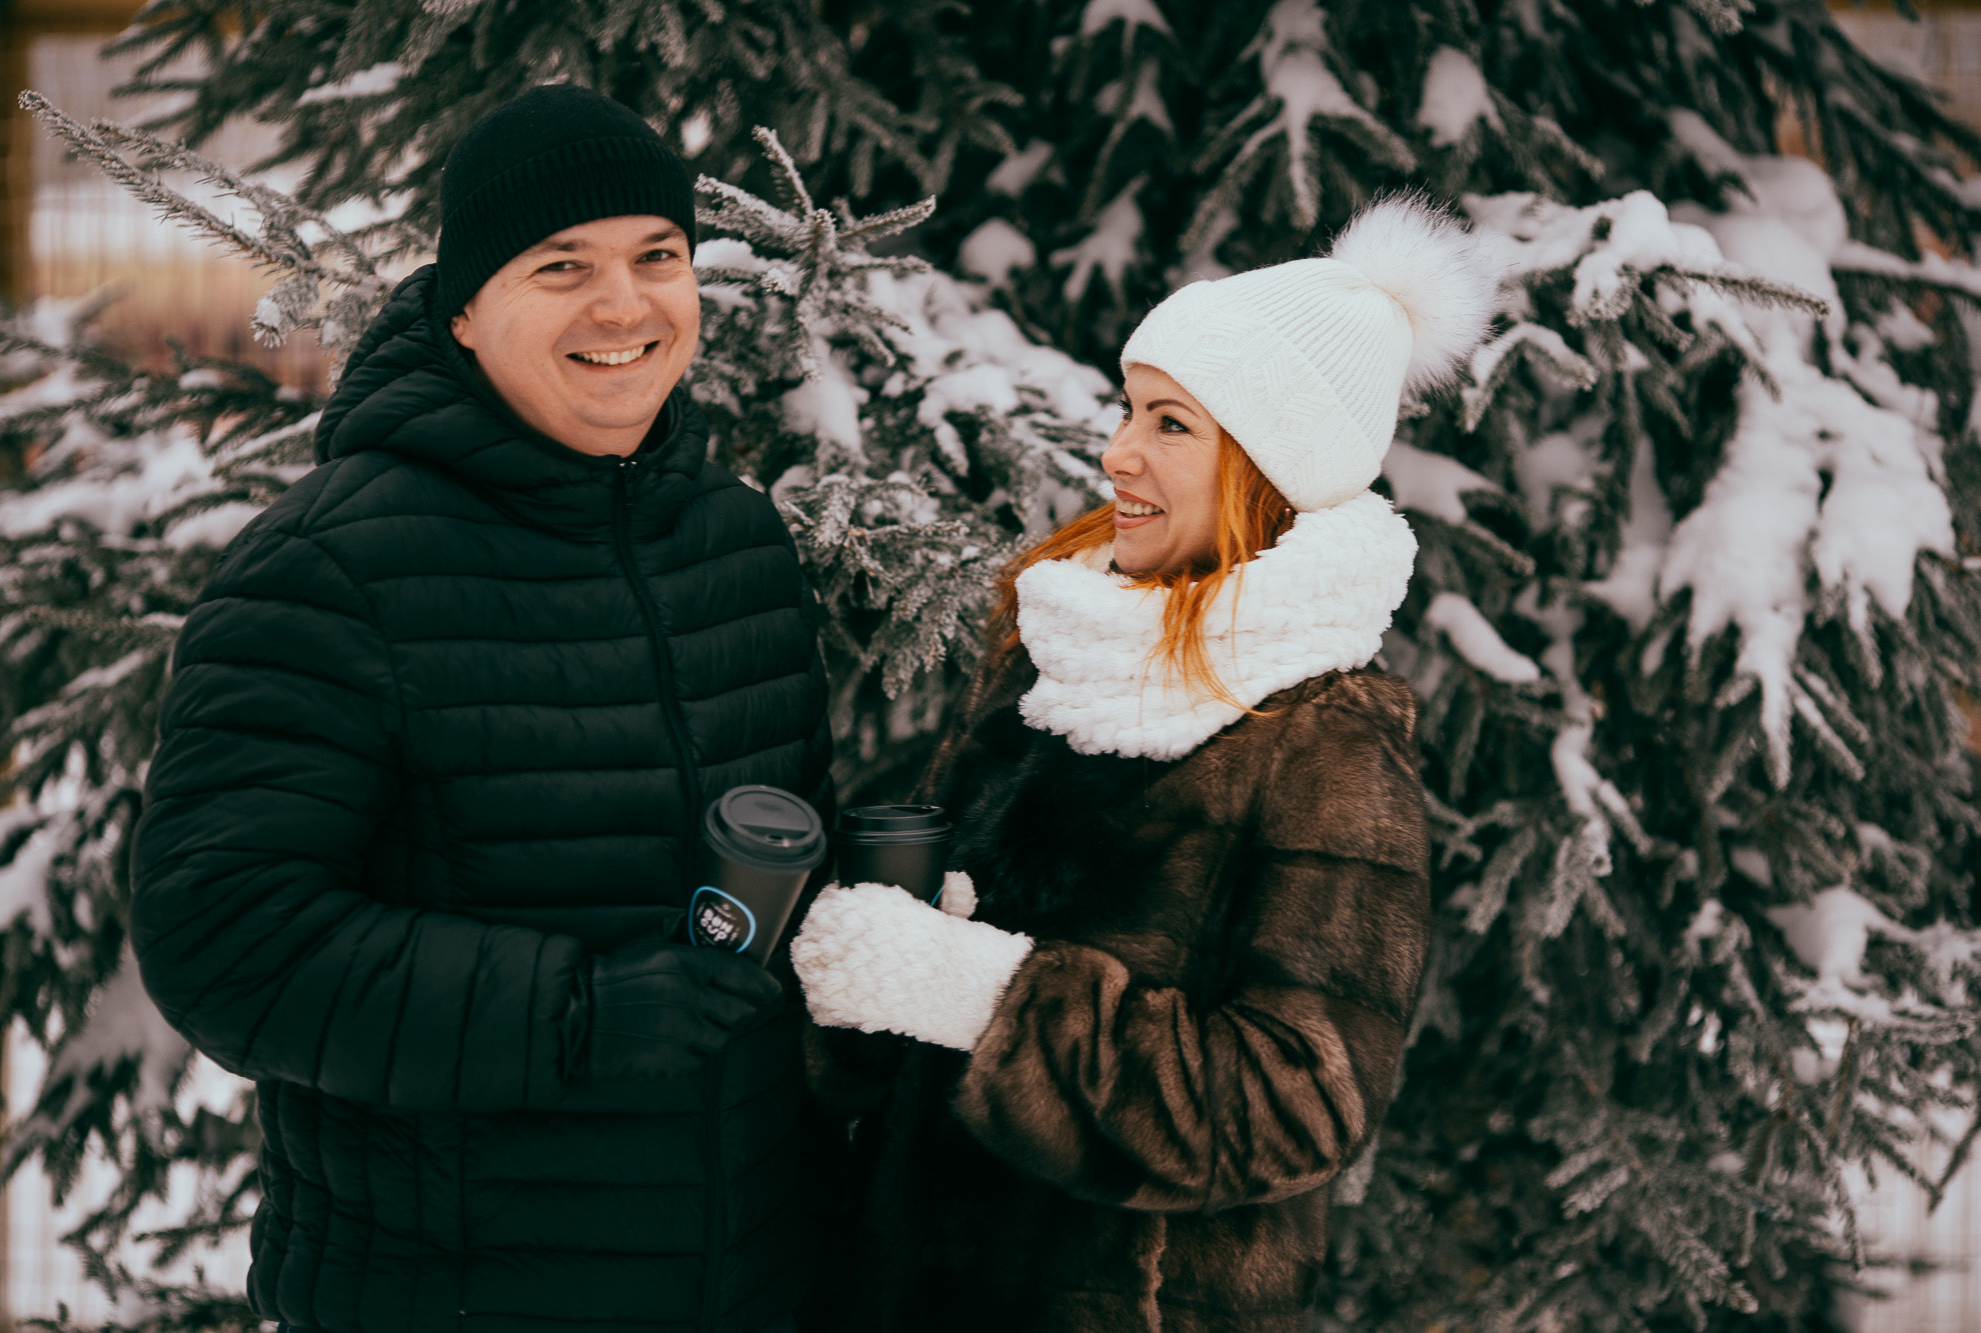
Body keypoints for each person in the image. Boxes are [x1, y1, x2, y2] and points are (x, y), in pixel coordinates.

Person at [130, 85, 830, 1333]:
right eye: (561, 265)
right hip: (447, 1295)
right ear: (462, 307)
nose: (623, 306)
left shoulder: (734, 541)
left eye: (656, 256)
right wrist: (574, 1012)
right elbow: (226, 941)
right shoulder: (332, 566)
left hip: (749, 1285)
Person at [788, 196, 1494, 1332]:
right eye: (1129, 409)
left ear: (1264, 468)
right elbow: (926, 1001)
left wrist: (984, 996)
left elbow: (1297, 1104)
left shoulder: (1325, 744)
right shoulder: (1061, 659)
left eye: (1170, 423)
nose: (1116, 451)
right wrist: (865, 984)